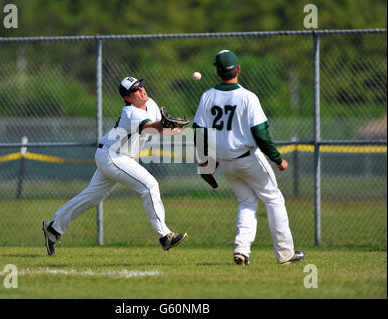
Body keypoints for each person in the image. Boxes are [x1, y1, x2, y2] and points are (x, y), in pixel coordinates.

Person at [42, 76, 188, 256]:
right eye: (136, 89)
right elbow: (150, 126)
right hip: (114, 156)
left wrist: (175, 128)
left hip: (115, 155)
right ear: (127, 97)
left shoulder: (150, 103)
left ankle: (54, 227)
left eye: (141, 85)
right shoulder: (130, 113)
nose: (141, 90)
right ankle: (165, 235)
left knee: (93, 197)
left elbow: (161, 127)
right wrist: (165, 125)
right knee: (149, 186)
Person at [193, 50, 305, 265]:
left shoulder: (207, 96)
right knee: (274, 200)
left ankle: (241, 250)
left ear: (217, 72)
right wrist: (277, 159)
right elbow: (261, 133)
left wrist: (204, 160)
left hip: (225, 162)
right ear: (239, 70)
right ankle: (285, 253)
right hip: (248, 158)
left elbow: (198, 132)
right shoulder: (247, 96)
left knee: (247, 201)